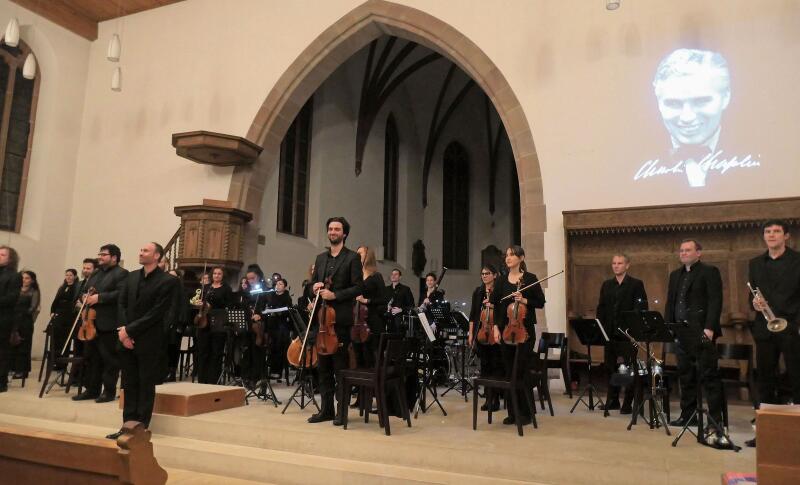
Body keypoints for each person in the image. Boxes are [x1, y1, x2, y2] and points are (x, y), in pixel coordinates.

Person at [106, 242, 177, 440]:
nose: (140, 252)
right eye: (140, 249)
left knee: (145, 383)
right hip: (126, 338)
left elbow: (157, 313)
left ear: (156, 256)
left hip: (148, 339)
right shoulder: (131, 277)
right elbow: (121, 304)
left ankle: (141, 427)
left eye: (145, 250)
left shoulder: (167, 282)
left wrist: (129, 330)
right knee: (129, 383)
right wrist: (123, 331)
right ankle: (126, 426)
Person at [664, 239, 727, 445]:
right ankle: (688, 415)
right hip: (681, 332)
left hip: (702, 331)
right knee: (686, 374)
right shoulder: (675, 275)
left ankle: (715, 420)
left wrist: (709, 328)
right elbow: (670, 302)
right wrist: (669, 327)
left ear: (698, 253)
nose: (683, 253)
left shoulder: (709, 271)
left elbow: (715, 300)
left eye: (687, 250)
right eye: (681, 250)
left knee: (709, 375)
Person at [745, 220, 800, 447]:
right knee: (765, 380)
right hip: (765, 328)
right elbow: (752, 296)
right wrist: (755, 304)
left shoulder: (798, 260)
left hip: (791, 326)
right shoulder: (756, 263)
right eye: (767, 232)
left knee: (797, 378)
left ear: (786, 236)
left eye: (777, 231)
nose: (771, 235)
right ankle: (765, 434)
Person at [646, 49, 732, 188]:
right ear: (658, 102)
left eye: (701, 101)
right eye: (674, 103)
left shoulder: (762, 151)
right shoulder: (628, 160)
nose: (687, 117)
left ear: (726, 97)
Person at [308, 216, 363, 425]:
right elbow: (311, 284)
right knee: (323, 368)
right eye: (330, 228)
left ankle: (342, 411)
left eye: (337, 229)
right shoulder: (321, 258)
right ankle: (326, 410)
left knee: (339, 368)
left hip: (339, 321)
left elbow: (358, 287)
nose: (333, 232)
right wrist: (313, 287)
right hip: (321, 321)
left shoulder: (352, 258)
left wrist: (336, 295)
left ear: (344, 234)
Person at [495, 245, 545, 426]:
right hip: (506, 330)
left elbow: (540, 302)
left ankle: (526, 413)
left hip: (525, 332)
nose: (508, 258)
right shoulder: (500, 281)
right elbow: (495, 304)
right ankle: (513, 412)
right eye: (507, 255)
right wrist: (495, 327)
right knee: (509, 372)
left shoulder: (530, 279)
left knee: (521, 371)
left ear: (521, 258)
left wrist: (524, 299)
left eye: (512, 255)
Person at [73, 244, 129, 403]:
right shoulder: (96, 273)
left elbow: (121, 293)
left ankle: (109, 391)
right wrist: (84, 297)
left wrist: (100, 298)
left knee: (109, 359)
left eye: (104, 254)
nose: (100, 257)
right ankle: (91, 389)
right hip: (91, 322)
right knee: (91, 358)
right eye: (100, 254)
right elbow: (87, 289)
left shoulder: (122, 273)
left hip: (108, 322)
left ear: (114, 258)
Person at [595, 254, 648, 415]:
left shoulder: (636, 284)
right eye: (614, 263)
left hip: (628, 334)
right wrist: (602, 328)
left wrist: (633, 329)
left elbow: (641, 308)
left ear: (627, 265)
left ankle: (628, 403)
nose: (616, 266)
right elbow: (601, 308)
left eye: (620, 263)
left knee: (627, 369)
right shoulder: (607, 285)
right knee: (611, 368)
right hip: (610, 333)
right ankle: (613, 401)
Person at [468, 264, 502, 411]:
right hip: (481, 333)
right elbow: (473, 315)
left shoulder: (499, 291)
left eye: (487, 273)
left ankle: (495, 399)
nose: (484, 276)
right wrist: (471, 334)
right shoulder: (478, 291)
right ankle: (488, 397)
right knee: (485, 367)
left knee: (496, 367)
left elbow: (503, 311)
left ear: (495, 275)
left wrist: (493, 306)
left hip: (495, 335)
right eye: (482, 273)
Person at [195, 266, 232, 384]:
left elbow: (228, 305)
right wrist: (199, 303)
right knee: (203, 351)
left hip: (218, 322)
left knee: (216, 352)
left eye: (219, 274)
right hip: (204, 321)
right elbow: (198, 301)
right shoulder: (205, 288)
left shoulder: (226, 289)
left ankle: (213, 380)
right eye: (215, 273)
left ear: (223, 276)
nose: (216, 275)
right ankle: (202, 380)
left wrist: (213, 305)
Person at [354, 246, 387, 369]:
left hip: (372, 319)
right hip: (357, 320)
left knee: (373, 354)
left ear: (368, 256)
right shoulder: (356, 276)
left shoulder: (376, 276)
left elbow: (384, 299)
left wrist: (366, 300)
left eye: (360, 253)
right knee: (358, 353)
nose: (357, 256)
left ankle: (375, 384)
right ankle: (361, 385)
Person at [10, 270, 39, 379]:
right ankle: (12, 368)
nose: (24, 280)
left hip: (25, 321)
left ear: (32, 280)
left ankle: (22, 371)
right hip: (14, 320)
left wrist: (23, 313)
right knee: (12, 344)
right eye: (23, 277)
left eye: (27, 278)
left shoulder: (34, 291)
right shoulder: (16, 289)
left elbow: (34, 307)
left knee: (23, 346)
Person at [0, 246, 22, 392]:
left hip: (4, 318)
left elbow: (12, 298)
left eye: (2, 254)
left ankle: (1, 382)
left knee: (2, 351)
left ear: (10, 258)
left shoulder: (14, 275)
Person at [49, 269, 80, 367]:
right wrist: (52, 311)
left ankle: (62, 364)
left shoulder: (76, 287)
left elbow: (74, 302)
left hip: (68, 316)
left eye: (70, 275)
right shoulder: (62, 287)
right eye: (66, 275)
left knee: (64, 339)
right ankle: (54, 361)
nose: (68, 277)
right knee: (56, 339)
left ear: (75, 276)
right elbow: (56, 300)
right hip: (59, 315)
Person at [267, 278, 292, 382]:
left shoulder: (287, 297)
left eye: (280, 284)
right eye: (277, 284)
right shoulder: (271, 295)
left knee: (279, 345)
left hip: (282, 324)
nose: (278, 285)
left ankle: (278, 371)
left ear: (284, 286)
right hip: (272, 323)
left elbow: (288, 311)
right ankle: (272, 369)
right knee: (272, 346)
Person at [385, 268, 414, 332]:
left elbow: (411, 305)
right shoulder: (386, 289)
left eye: (396, 274)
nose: (393, 276)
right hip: (388, 318)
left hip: (400, 320)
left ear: (400, 277)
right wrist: (387, 308)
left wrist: (401, 309)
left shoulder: (406, 289)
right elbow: (383, 303)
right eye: (392, 274)